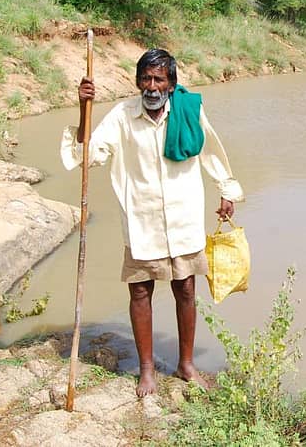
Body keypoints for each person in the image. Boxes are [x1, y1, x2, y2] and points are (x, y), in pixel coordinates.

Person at [61, 48, 244, 397]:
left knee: (186, 289)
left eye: (159, 79)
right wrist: (84, 109)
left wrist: (227, 190)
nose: (152, 86)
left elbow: (211, 150)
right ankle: (147, 369)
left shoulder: (189, 110)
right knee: (140, 290)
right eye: (145, 78)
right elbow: (89, 154)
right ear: (137, 82)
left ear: (171, 84)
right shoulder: (122, 116)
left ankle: (186, 364)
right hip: (141, 219)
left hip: (183, 217)